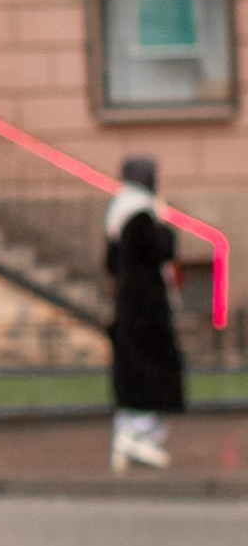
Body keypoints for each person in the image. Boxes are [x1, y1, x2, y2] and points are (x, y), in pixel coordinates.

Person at [106, 153, 185, 473]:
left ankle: (129, 434)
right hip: (146, 309)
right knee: (151, 370)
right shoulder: (141, 213)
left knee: (132, 371)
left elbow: (111, 264)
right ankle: (140, 438)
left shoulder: (117, 211)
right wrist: (163, 221)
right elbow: (162, 249)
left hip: (129, 307)